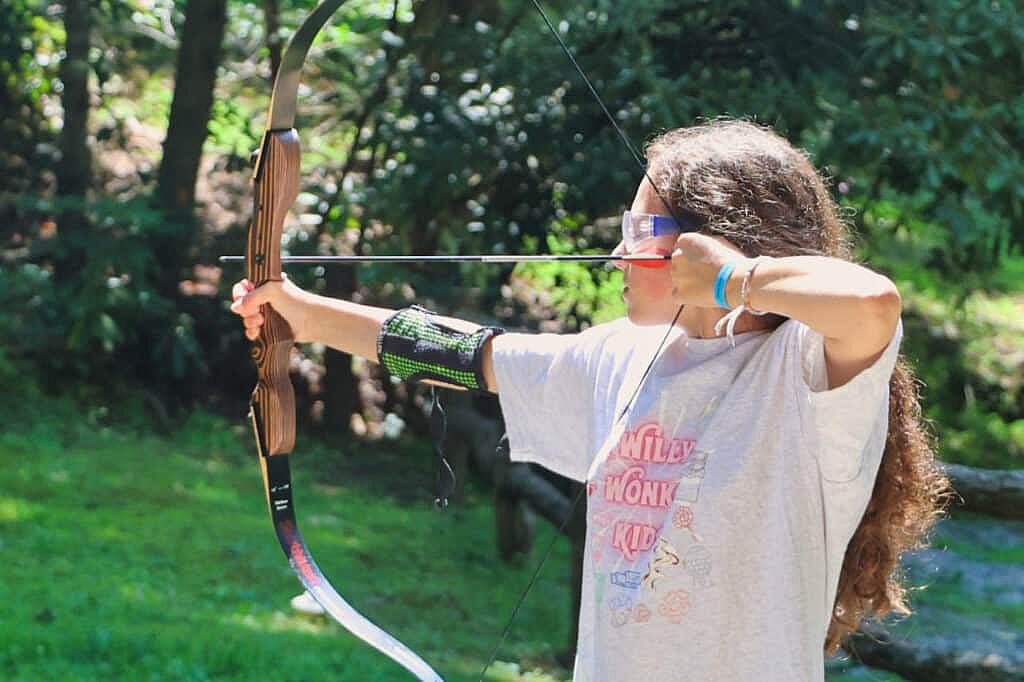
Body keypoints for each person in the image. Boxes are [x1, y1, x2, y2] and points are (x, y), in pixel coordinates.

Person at [230, 120, 948, 681]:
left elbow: (873, 303)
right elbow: (475, 354)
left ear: (706, 244)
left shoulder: (803, 373)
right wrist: (302, 314)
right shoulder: (622, 356)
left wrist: (736, 282)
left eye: (639, 232)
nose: (616, 256)